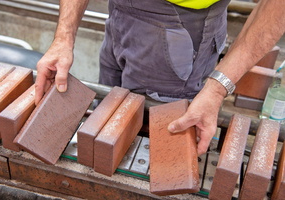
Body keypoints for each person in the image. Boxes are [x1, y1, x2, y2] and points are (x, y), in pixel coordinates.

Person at [35, 0, 285, 156]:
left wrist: (218, 88)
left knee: (158, 149)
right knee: (109, 123)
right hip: (120, 15)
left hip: (180, 24)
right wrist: (64, 37)